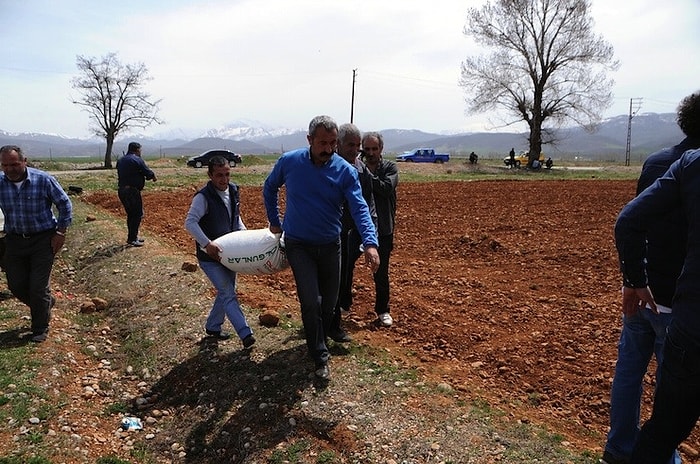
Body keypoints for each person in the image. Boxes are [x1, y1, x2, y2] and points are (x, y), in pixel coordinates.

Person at [602, 92, 700, 464]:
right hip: (676, 300)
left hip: (641, 287)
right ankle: (661, 457)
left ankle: (618, 447)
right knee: (670, 387)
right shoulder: (691, 167)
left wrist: (632, 279)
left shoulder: (657, 162)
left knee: (628, 369)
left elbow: (633, 222)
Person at [263, 115, 380, 380]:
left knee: (329, 304)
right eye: (322, 143)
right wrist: (274, 220)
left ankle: (321, 337)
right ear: (309, 140)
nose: (328, 148)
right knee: (311, 302)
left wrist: (370, 243)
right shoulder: (290, 162)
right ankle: (319, 355)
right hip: (299, 244)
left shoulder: (344, 170)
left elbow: (360, 208)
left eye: (332, 143)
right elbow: (269, 188)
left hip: (330, 245)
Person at [0, 145, 72, 343]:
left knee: (38, 286)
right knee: (16, 285)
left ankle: (40, 327)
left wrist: (60, 232)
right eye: (5, 165)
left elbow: (64, 204)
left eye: (14, 164)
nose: (9, 169)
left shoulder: (43, 179)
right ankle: (46, 304)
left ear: (24, 161)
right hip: (14, 240)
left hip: (43, 239)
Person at [184, 156, 256, 349]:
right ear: (210, 175)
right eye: (219, 175)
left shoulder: (233, 191)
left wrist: (245, 237)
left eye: (227, 174)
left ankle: (213, 326)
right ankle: (245, 333)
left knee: (226, 291)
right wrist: (207, 244)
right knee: (227, 292)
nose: (224, 179)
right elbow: (190, 222)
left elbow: (236, 218)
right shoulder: (203, 197)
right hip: (210, 257)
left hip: (230, 253)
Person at [331, 123, 377, 343]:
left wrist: (369, 236)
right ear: (338, 144)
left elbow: (366, 204)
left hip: (349, 232)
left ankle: (337, 314)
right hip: (327, 231)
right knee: (329, 277)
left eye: (357, 145)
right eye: (350, 145)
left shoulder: (361, 170)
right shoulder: (326, 167)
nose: (355, 150)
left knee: (344, 272)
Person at [361, 131, 399, 328]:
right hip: (358, 228)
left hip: (383, 229)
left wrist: (365, 173)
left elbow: (385, 188)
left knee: (381, 272)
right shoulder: (356, 168)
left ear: (381, 149)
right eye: (366, 149)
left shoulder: (390, 168)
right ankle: (342, 306)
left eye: (374, 149)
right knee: (344, 269)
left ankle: (383, 310)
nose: (370, 153)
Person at [116, 142, 156, 247]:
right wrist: (152, 176)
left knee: (131, 214)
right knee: (137, 214)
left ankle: (132, 237)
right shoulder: (137, 159)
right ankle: (132, 239)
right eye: (140, 150)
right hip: (132, 191)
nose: (140, 152)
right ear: (137, 149)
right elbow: (147, 172)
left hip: (122, 190)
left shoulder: (121, 160)